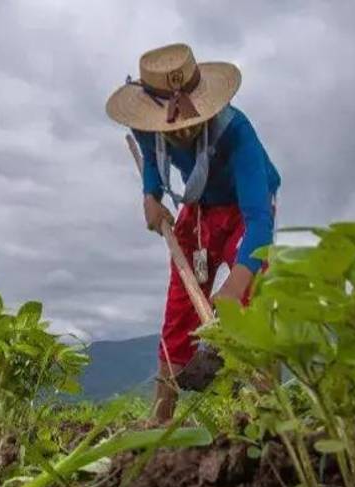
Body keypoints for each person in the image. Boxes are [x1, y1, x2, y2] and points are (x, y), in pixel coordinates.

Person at [105, 43, 280, 425]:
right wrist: (151, 195)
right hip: (200, 207)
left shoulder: (237, 133)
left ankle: (269, 413)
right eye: (171, 127)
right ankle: (161, 416)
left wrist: (237, 282)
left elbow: (259, 222)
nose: (180, 135)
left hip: (245, 210)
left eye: (188, 125)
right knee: (181, 301)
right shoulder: (147, 124)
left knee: (253, 296)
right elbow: (152, 156)